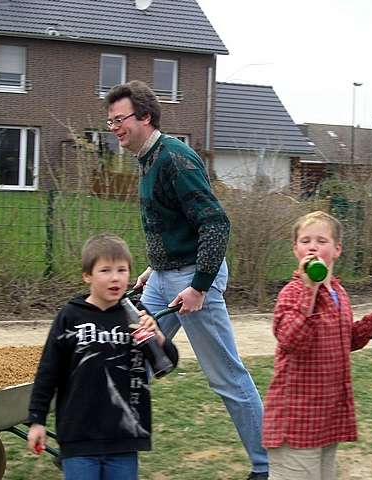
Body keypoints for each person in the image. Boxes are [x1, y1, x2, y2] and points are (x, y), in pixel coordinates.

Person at [104, 80, 269, 479]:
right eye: (109, 122)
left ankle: (268, 466)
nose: (114, 128)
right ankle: (107, 450)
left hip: (193, 280)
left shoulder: (175, 159)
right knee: (134, 360)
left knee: (227, 376)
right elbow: (174, 224)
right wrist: (154, 265)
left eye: (119, 119)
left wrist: (199, 287)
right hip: (164, 277)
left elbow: (215, 224)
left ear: (144, 116)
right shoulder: (147, 158)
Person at [27, 233, 179, 480]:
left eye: (122, 270)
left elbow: (167, 364)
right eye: (105, 270)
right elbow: (48, 370)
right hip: (78, 435)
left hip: (124, 436)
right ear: (87, 275)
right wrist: (37, 420)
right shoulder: (70, 316)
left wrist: (158, 336)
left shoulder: (137, 316)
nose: (115, 277)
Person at [262, 211, 372, 480]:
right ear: (295, 249)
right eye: (305, 241)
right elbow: (291, 340)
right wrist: (309, 290)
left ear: (337, 250)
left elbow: (342, 340)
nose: (312, 246)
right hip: (297, 420)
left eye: (321, 241)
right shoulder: (292, 292)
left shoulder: (338, 292)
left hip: (327, 417)